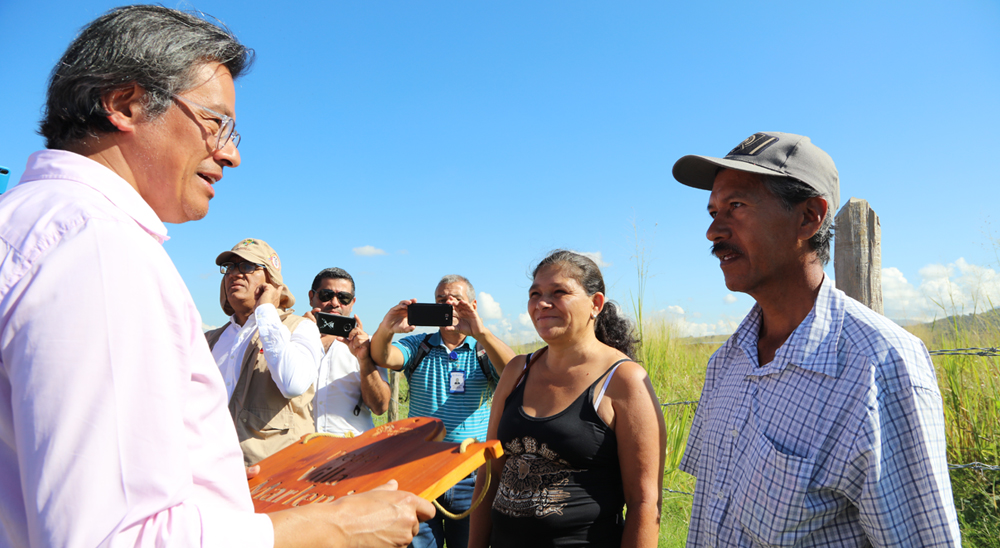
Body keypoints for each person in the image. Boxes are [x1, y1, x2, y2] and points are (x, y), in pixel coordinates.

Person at [0, 6, 431, 547]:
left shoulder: (33, 223)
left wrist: (210, 492)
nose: (230, 154)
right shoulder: (100, 250)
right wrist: (330, 526)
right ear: (124, 104)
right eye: (214, 122)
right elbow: (112, 537)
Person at [672, 131, 961, 546]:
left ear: (810, 217)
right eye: (713, 211)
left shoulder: (879, 365)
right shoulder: (726, 363)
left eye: (736, 206)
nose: (714, 231)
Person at [468, 251, 666, 548]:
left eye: (559, 292)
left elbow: (644, 502)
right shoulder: (517, 371)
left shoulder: (624, 380)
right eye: (535, 293)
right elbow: (489, 476)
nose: (542, 303)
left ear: (595, 304)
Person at [371, 275, 516, 548]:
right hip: (422, 470)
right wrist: (387, 327)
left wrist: (480, 332)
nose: (448, 304)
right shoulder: (420, 345)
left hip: (471, 474)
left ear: (473, 305)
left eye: (457, 299)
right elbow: (383, 356)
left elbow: (514, 372)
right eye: (441, 300)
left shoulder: (484, 349)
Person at [205, 238, 322, 465]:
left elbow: (293, 384)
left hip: (276, 477)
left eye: (247, 266)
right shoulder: (210, 340)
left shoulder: (301, 327)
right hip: (215, 470)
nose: (235, 274)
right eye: (229, 267)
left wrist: (266, 310)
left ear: (271, 281)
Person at [303, 267, 391, 436]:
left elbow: (380, 407)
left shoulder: (369, 344)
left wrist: (364, 359)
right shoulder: (292, 339)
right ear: (311, 297)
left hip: (353, 449)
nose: (335, 303)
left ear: (353, 302)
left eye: (344, 297)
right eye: (326, 295)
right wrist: (302, 332)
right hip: (302, 447)